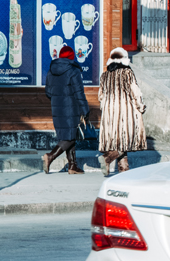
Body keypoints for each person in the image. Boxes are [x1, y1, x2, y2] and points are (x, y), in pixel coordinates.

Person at [98, 48, 147, 176]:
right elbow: (135, 92)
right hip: (125, 111)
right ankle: (107, 158)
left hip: (109, 112)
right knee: (127, 140)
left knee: (116, 141)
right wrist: (141, 106)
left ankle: (123, 170)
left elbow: (101, 96)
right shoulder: (127, 73)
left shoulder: (104, 75)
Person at [43, 45, 90, 175]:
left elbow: (48, 92)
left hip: (57, 108)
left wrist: (57, 100)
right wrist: (85, 110)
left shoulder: (51, 70)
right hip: (71, 107)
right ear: (71, 56)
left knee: (69, 135)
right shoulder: (73, 71)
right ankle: (50, 156)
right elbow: (79, 93)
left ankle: (73, 165)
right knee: (69, 138)